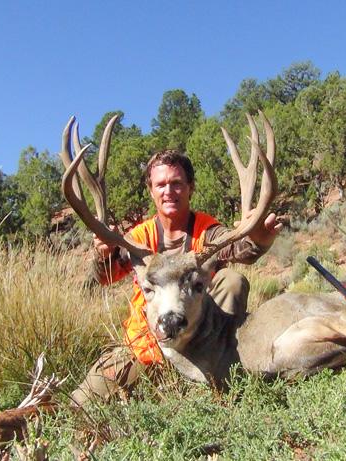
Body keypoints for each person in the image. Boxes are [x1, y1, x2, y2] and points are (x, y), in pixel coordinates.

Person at [70, 149, 281, 405]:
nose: (168, 191)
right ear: (151, 190)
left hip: (199, 338)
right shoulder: (138, 238)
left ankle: (223, 372)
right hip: (147, 342)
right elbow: (106, 276)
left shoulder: (208, 232)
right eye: (161, 184)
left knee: (230, 280)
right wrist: (104, 254)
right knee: (82, 402)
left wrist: (259, 239)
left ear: (190, 188)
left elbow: (240, 249)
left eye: (177, 183)